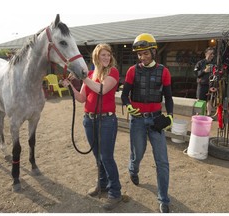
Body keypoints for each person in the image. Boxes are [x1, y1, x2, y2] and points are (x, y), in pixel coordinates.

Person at [62, 43, 122, 210]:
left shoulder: (113, 72)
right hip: (89, 120)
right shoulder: (90, 74)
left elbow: (101, 89)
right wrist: (71, 88)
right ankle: (101, 185)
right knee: (98, 156)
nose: (106, 58)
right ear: (96, 56)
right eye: (103, 55)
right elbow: (81, 98)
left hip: (107, 121)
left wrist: (83, 78)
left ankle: (115, 192)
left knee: (106, 157)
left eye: (108, 55)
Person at [121, 33, 174, 213]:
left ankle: (163, 199)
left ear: (153, 51)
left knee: (162, 161)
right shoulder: (132, 71)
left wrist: (171, 115)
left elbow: (168, 96)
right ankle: (133, 169)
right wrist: (128, 106)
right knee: (138, 153)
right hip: (137, 121)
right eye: (139, 54)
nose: (142, 57)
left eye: (145, 53)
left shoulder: (164, 71)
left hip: (156, 120)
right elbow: (123, 95)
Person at [194, 47, 215, 116]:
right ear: (206, 54)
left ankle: (208, 115)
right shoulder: (200, 63)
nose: (212, 55)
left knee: (209, 100)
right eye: (210, 53)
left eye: (213, 54)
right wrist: (204, 71)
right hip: (202, 85)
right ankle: (198, 115)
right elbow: (196, 73)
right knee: (200, 100)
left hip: (211, 85)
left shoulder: (214, 64)